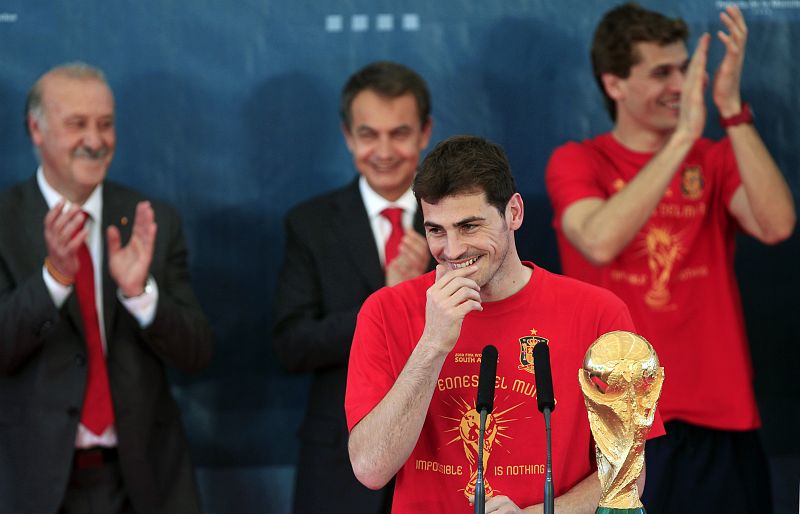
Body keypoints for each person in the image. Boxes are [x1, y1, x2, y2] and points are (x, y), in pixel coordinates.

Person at [545, 4, 795, 513]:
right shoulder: (578, 161)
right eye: (662, 72)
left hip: (718, 420)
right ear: (614, 84)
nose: (681, 84)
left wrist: (730, 111)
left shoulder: (716, 158)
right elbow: (598, 240)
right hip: (617, 424)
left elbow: (778, 225)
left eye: (684, 68)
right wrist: (683, 137)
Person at [346, 135, 663, 513]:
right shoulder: (385, 311)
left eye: (469, 226)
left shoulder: (598, 312)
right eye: (436, 230)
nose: (452, 250)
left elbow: (629, 471)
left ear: (514, 212)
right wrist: (431, 345)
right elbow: (370, 469)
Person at [0, 62, 213, 514]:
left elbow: (196, 352)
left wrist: (140, 295)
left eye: (105, 124)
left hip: (144, 479)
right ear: (35, 130)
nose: (95, 141)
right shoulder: (3, 223)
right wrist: (54, 279)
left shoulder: (150, 219)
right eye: (77, 125)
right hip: (32, 482)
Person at [272, 61, 434, 514]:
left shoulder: (459, 221)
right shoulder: (310, 224)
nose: (384, 151)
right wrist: (384, 303)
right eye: (368, 134)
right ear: (347, 136)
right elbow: (292, 344)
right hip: (339, 462)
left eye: (399, 133)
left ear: (425, 132)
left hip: (441, 450)